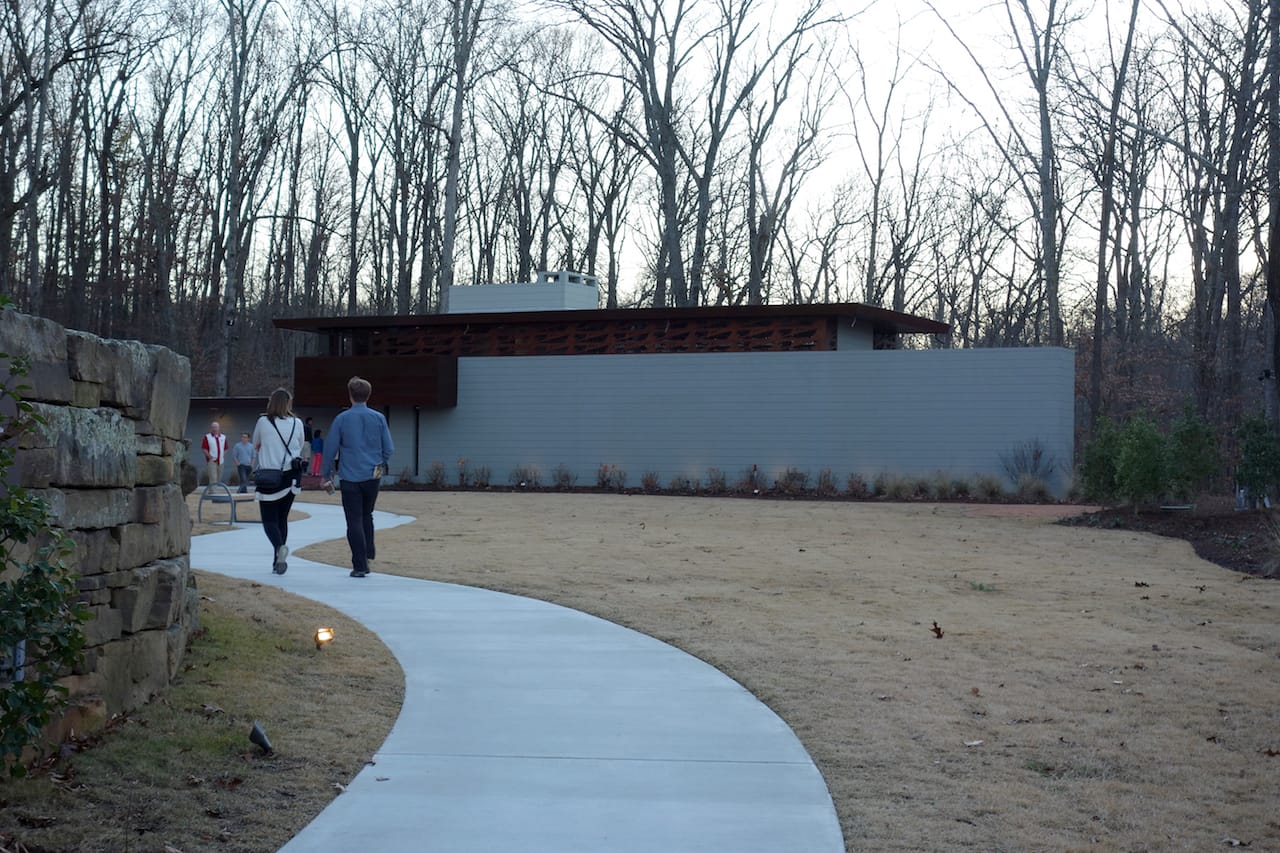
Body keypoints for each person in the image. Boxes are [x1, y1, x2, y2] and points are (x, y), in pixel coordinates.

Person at [320, 376, 393, 578]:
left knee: (353, 519)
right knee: (367, 514)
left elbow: (330, 448)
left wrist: (326, 473)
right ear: (368, 395)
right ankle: (368, 550)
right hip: (372, 474)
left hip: (350, 476)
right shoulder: (378, 418)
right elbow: (389, 448)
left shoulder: (342, 419)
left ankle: (360, 564)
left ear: (350, 395)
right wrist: (379, 462)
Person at [253, 389, 305, 575]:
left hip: (269, 476)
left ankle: (279, 547)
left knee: (269, 520)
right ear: (288, 403)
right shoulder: (297, 423)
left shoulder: (263, 422)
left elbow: (256, 443)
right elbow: (300, 445)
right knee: (282, 518)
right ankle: (278, 561)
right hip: (291, 476)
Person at [201, 421, 228, 486]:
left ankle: (214, 490)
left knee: (219, 477)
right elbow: (204, 448)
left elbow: (226, 448)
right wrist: (209, 456)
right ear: (211, 428)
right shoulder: (207, 437)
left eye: (216, 427)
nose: (214, 429)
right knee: (213, 478)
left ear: (219, 428)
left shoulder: (223, 437)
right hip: (212, 461)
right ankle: (213, 491)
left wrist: (222, 455)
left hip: (221, 461)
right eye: (213, 427)